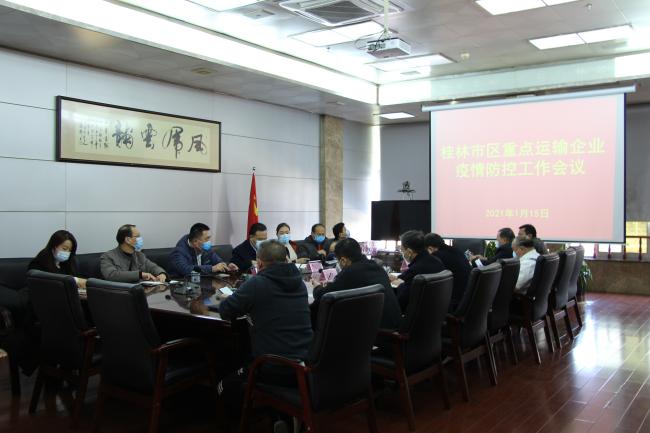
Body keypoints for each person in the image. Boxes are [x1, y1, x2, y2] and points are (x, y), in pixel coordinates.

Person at [217, 240, 313, 430]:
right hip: (306, 362)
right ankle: (281, 416)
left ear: (259, 263)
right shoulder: (300, 282)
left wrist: (232, 297)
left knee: (224, 386)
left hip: (274, 366)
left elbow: (225, 311)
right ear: (286, 259)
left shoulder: (257, 284)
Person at [312, 238, 401, 332]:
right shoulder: (376, 267)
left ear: (343, 260)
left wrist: (317, 287)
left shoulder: (350, 272)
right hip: (393, 324)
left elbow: (324, 295)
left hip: (378, 331)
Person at [391, 230, 446, 311]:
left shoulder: (416, 269)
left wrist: (401, 285)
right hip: (435, 310)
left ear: (409, 252)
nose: (402, 253)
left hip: (416, 314)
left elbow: (401, 303)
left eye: (402, 250)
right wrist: (401, 280)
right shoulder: (436, 261)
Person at [100, 224, 167, 283]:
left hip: (139, 290)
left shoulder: (139, 255)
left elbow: (153, 267)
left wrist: (161, 273)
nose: (140, 239)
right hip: (119, 291)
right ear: (128, 240)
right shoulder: (108, 256)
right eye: (138, 236)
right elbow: (111, 275)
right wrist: (140, 274)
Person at [168, 223, 238, 277]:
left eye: (209, 238)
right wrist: (212, 268)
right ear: (195, 241)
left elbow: (217, 261)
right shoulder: (179, 252)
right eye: (206, 239)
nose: (209, 242)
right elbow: (186, 270)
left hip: (203, 284)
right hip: (182, 286)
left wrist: (227, 265)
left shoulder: (205, 247)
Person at [423, 233, 471, 311]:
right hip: (465, 300)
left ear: (430, 248)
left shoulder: (436, 257)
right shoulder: (457, 251)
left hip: (452, 303)